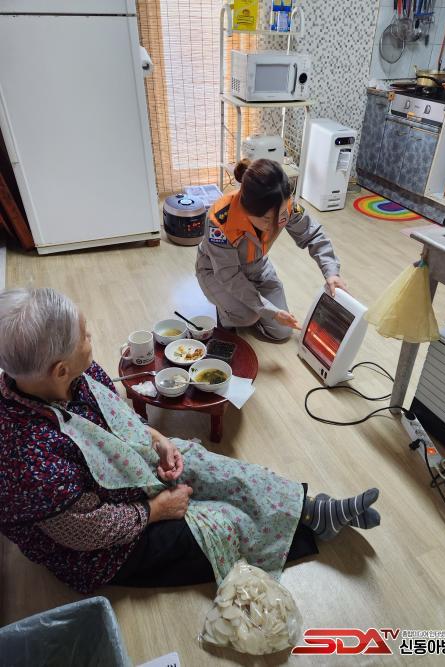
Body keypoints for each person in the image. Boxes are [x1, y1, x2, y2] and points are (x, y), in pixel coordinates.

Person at [0, 288, 380, 594]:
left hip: (129, 471)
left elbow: (118, 421)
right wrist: (157, 509)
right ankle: (312, 525)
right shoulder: (25, 459)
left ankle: (313, 509)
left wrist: (159, 440)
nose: (91, 338)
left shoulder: (76, 375)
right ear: (60, 369)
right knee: (221, 523)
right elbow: (88, 531)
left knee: (216, 468)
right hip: (104, 546)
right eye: (84, 336)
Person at [196, 158, 348, 341]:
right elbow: (229, 276)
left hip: (257, 267)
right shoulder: (219, 221)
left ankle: (246, 307)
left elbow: (313, 234)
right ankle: (228, 312)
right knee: (246, 316)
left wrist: (331, 272)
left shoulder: (284, 205)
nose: (276, 223)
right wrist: (267, 310)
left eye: (281, 214)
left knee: (282, 332)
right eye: (267, 219)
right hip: (217, 271)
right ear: (247, 209)